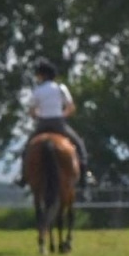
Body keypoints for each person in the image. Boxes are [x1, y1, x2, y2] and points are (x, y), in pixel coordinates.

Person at [20, 58, 92, 186]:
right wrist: (62, 115)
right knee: (79, 145)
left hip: (42, 124)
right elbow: (71, 107)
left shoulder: (37, 91)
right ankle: (84, 176)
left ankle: (23, 176)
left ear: (42, 75)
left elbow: (31, 112)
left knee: (26, 149)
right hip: (58, 123)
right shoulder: (61, 88)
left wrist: (39, 116)